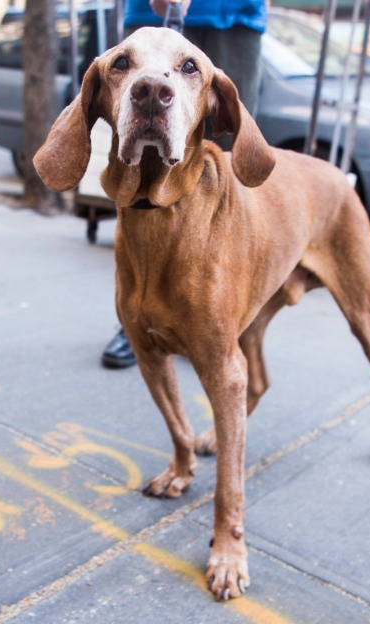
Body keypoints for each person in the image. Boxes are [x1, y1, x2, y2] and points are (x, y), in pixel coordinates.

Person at [101, 0, 267, 369]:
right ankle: (140, 319)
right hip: (153, 14)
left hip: (236, 14)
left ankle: (213, 314)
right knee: (139, 167)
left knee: (226, 161)